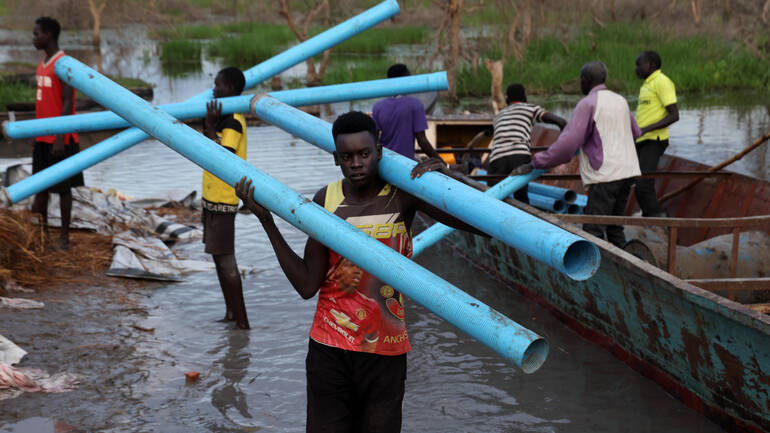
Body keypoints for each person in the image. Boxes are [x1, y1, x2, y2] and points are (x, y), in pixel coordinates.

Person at [234, 111, 484, 433]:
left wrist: (445, 181)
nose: (356, 163)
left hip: (386, 350)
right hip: (329, 349)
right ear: (336, 158)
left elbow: (479, 223)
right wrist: (267, 221)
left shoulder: (403, 196)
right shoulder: (326, 199)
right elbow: (307, 285)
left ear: (378, 151)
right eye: (347, 157)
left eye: (364, 154)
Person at [511, 62, 642, 248]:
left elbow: (567, 146)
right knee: (614, 226)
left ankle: (594, 264)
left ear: (587, 80)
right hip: (628, 171)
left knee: (593, 229)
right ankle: (626, 260)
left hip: (606, 174)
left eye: (581, 80)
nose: (580, 84)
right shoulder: (620, 100)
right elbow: (636, 132)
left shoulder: (587, 103)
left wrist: (535, 163)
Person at [201, 66, 250, 330]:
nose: (214, 89)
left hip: (223, 200)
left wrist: (210, 127)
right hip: (211, 197)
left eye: (218, 85)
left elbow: (224, 157)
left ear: (230, 88)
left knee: (227, 261)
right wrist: (208, 123)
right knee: (218, 259)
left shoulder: (233, 119)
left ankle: (242, 322)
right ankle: (231, 313)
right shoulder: (222, 116)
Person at [31, 16, 83, 250]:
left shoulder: (63, 63)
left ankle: (64, 237)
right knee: (40, 187)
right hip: (42, 135)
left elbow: (67, 101)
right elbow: (42, 102)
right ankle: (42, 235)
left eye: (37, 34)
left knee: (63, 188)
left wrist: (60, 137)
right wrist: (34, 134)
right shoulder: (42, 62)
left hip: (60, 138)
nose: (34, 38)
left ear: (49, 35)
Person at [488, 83, 566, 203]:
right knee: (521, 197)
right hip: (519, 154)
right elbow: (560, 122)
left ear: (507, 98)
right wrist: (564, 144)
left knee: (495, 198)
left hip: (497, 158)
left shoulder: (498, 115)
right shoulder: (530, 108)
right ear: (524, 97)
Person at [372, 63, 445, 178]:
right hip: (405, 166)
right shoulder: (415, 105)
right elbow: (422, 141)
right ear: (405, 80)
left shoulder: (378, 107)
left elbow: (373, 140)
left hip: (384, 164)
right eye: (410, 78)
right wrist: (442, 163)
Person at [634, 50, 678, 217]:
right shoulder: (647, 84)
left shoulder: (662, 81)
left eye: (639, 65)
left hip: (653, 140)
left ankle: (656, 220)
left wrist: (646, 129)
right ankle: (648, 217)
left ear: (652, 65)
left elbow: (674, 115)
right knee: (633, 183)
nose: (636, 69)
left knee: (643, 185)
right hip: (641, 140)